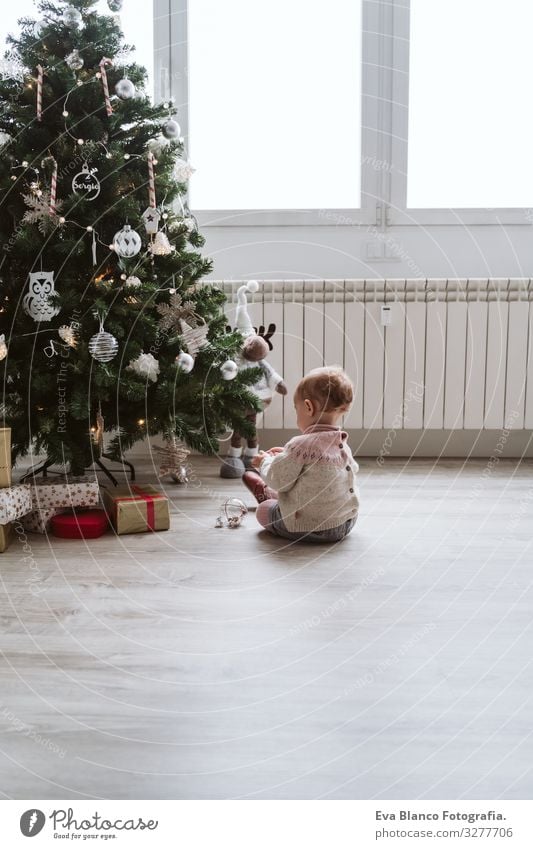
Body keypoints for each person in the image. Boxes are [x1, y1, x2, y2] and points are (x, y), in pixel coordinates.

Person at [242, 367, 359, 542]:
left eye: (296, 410)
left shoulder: (300, 445)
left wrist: (265, 462)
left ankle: (266, 495)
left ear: (308, 407)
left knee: (263, 511)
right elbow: (328, 469)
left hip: (306, 528)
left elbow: (278, 478)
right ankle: (277, 497)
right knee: (304, 483)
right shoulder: (341, 442)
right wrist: (286, 455)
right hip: (344, 524)